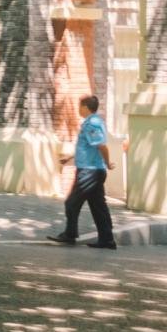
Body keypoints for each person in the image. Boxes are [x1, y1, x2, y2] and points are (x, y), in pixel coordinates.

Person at [51, 94, 118, 249]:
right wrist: (70, 157)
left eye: (80, 106)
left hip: (89, 172)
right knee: (98, 206)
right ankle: (107, 240)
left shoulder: (92, 124)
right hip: (92, 170)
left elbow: (101, 145)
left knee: (71, 202)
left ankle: (70, 235)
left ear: (86, 107)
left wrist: (108, 162)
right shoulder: (93, 122)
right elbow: (88, 147)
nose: (78, 109)